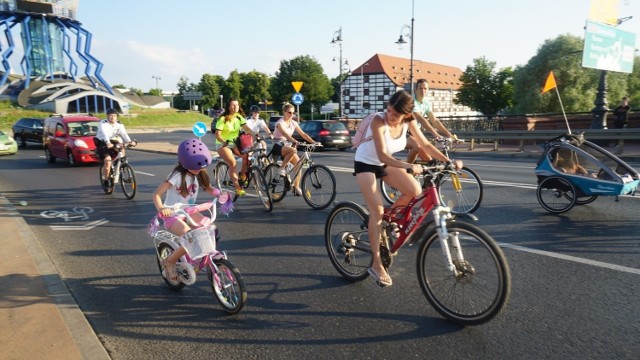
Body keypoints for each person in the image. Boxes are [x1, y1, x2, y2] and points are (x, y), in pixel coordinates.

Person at [354, 90, 462, 287]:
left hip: (385, 163)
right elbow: (383, 155)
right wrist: (409, 166)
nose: (390, 116)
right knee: (376, 211)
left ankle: (387, 222)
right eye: (388, 111)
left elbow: (426, 145)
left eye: (395, 114)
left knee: (414, 191)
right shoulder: (378, 121)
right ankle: (377, 265)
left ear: (406, 115)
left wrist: (449, 162)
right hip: (366, 163)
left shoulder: (408, 122)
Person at [153, 138, 218, 281]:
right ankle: (170, 260)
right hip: (173, 214)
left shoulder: (199, 172)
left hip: (189, 211)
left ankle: (195, 256)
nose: (197, 169)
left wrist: (220, 194)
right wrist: (162, 208)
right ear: (184, 162)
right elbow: (157, 195)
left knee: (211, 228)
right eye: (193, 166)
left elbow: (208, 188)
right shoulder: (176, 176)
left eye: (199, 166)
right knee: (190, 237)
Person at [406, 79, 456, 163]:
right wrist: (436, 135)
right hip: (406, 132)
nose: (423, 91)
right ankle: (407, 171)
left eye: (425, 88)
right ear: (415, 90)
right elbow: (421, 120)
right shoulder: (412, 102)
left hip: (415, 131)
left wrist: (449, 135)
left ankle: (416, 173)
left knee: (429, 160)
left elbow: (434, 120)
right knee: (418, 149)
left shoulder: (426, 103)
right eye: (420, 88)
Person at [272, 102, 316, 196]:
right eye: (289, 112)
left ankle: (296, 187)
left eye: (293, 113)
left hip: (287, 145)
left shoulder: (293, 123)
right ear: (284, 112)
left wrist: (313, 142)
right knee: (293, 150)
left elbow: (303, 134)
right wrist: (294, 141)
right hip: (277, 145)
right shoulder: (280, 123)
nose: (291, 115)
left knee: (298, 165)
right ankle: (281, 168)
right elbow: (285, 135)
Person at [214, 98, 253, 196]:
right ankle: (238, 188)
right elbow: (218, 135)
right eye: (233, 105)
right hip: (223, 144)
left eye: (237, 105)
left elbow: (247, 129)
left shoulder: (239, 117)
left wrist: (255, 135)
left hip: (234, 143)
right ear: (228, 107)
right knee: (233, 163)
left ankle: (242, 176)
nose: (235, 107)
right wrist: (224, 142)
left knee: (246, 157)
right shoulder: (223, 119)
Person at [95, 108, 134, 187]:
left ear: (117, 117)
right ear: (107, 116)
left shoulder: (119, 124)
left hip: (113, 140)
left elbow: (124, 134)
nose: (112, 117)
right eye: (110, 116)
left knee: (122, 146)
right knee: (108, 161)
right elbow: (105, 134)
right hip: (102, 142)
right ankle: (106, 179)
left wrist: (130, 142)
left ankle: (122, 162)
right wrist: (108, 143)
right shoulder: (103, 123)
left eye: (114, 116)